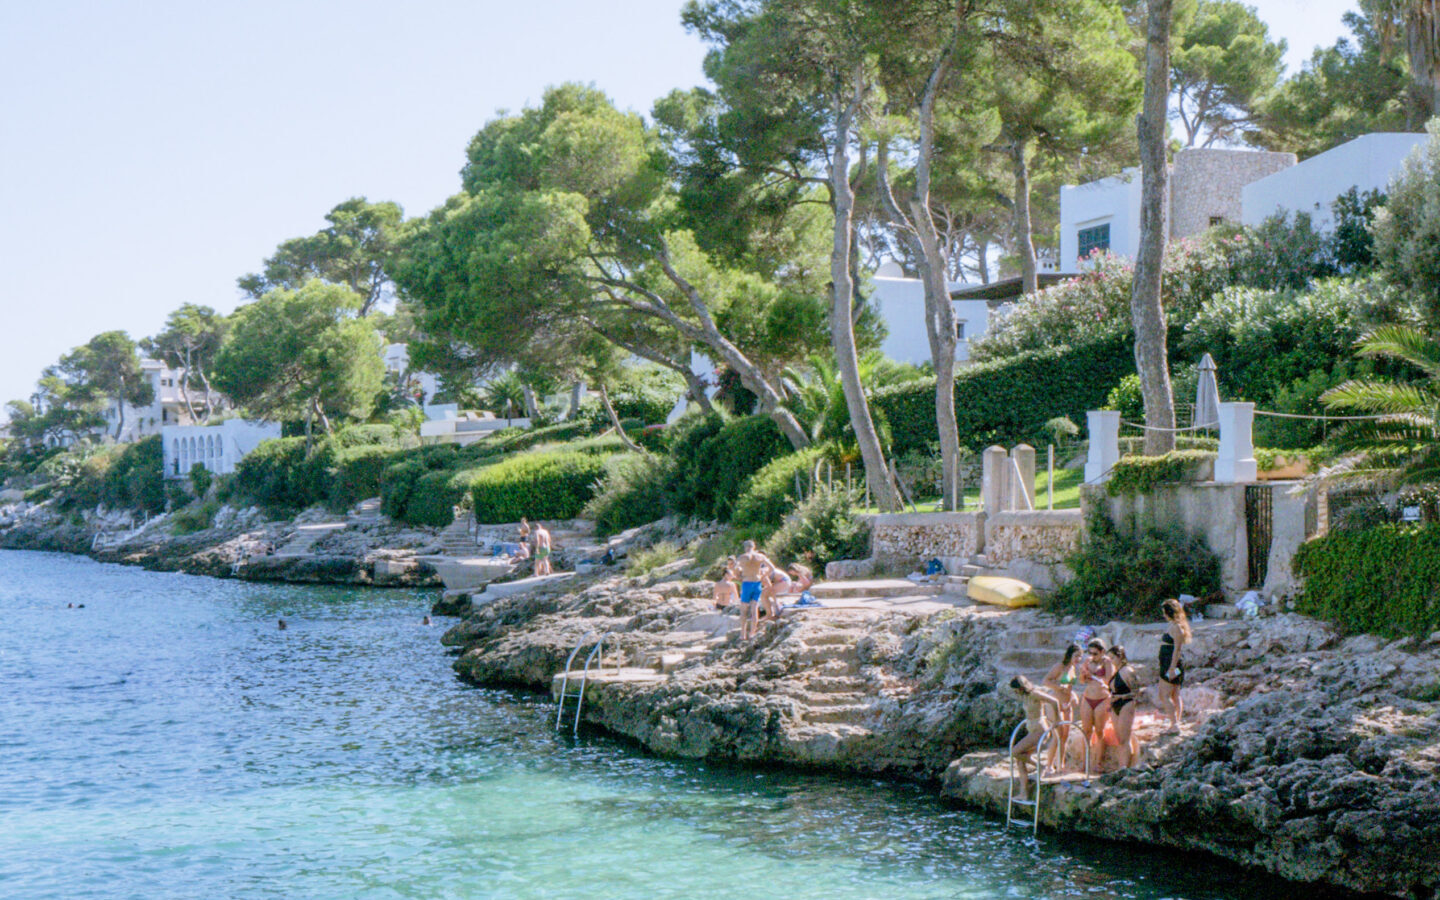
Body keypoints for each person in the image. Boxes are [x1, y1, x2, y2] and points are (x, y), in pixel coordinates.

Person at [1008, 676, 1062, 800]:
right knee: (1020, 760)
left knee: (1014, 751)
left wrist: (1057, 720)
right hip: (1031, 729)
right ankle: (1024, 794)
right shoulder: (1024, 696)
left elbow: (1054, 701)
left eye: (1015, 690)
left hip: (1039, 729)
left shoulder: (1035, 694)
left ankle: (1041, 766)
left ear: (1021, 687)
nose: (1014, 693)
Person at [1077, 637, 1114, 777]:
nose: (1092, 656)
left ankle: (1098, 762)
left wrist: (1092, 674)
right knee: (1086, 730)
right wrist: (1084, 674)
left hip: (1102, 699)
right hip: (1088, 697)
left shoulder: (1107, 662)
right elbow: (1081, 681)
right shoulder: (1088, 662)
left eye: (1095, 653)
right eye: (1090, 653)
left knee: (1099, 731)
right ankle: (1084, 761)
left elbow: (1109, 681)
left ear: (1102, 651)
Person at [1042, 644, 1081, 773]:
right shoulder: (1060, 667)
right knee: (1057, 736)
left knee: (1065, 736)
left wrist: (1073, 694)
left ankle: (1061, 765)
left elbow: (1070, 685)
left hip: (1067, 704)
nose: (1078, 658)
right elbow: (1046, 681)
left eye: (1080, 656)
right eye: (1076, 656)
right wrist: (1059, 687)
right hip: (1056, 704)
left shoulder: (1073, 668)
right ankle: (1048, 766)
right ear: (1070, 655)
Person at [1158, 598, 1192, 729]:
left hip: (1171, 664)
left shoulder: (1177, 627)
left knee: (1164, 695)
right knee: (1174, 694)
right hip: (1168, 662)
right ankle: (1176, 720)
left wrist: (1172, 668)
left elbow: (1177, 649)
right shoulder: (1173, 625)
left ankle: (1174, 723)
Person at [1106, 645, 1141, 768]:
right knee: (1120, 739)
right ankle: (1123, 766)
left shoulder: (1128, 671)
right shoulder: (1116, 671)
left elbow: (1137, 692)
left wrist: (1121, 697)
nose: (1110, 661)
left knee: (1124, 739)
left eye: (1112, 658)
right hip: (1115, 704)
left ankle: (1124, 767)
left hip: (1126, 703)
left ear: (1119, 657)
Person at [735, 540, 777, 640]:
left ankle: (742, 634)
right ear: (754, 547)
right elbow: (772, 568)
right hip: (757, 583)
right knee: (754, 609)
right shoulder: (760, 556)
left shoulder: (742, 557)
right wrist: (763, 575)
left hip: (747, 583)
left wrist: (739, 576)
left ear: (745, 547)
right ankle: (752, 633)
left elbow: (736, 568)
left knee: (744, 610)